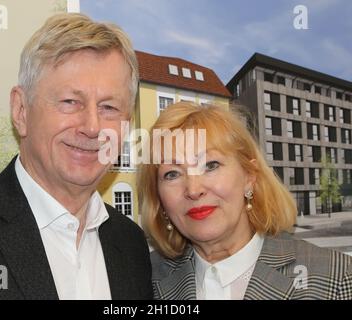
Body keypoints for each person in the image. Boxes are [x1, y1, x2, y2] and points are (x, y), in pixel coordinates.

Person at [0, 13, 152, 300]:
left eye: (109, 107)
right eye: (70, 102)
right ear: (21, 111)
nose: (92, 127)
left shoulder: (131, 245)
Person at [138, 101, 352, 300]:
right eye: (172, 174)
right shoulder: (141, 280)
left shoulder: (337, 278)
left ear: (249, 177)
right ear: (159, 199)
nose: (193, 190)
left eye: (210, 165)